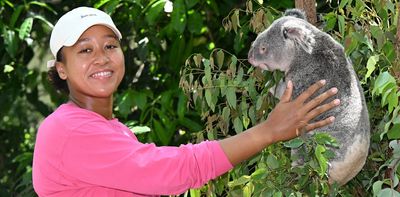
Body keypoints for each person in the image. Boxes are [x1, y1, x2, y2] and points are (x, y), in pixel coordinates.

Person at [32, 6, 340, 197]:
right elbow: (167, 171)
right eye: (85, 50)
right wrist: (268, 131)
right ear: (61, 68)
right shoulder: (67, 130)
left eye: (110, 45)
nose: (101, 58)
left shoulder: (110, 130)